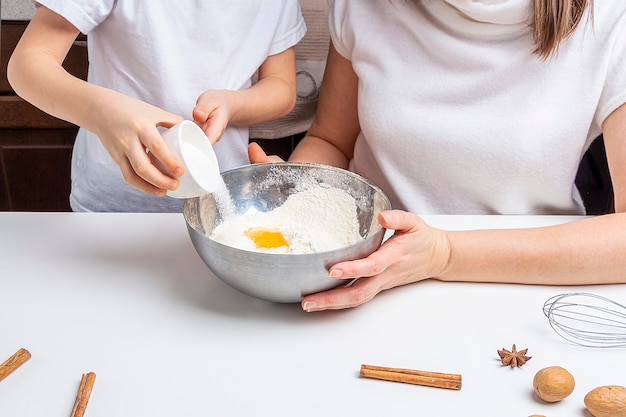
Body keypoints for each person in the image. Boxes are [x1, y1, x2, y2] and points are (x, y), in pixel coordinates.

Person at [248, 0, 626, 312]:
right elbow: (332, 140)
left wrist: (444, 253)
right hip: (365, 286)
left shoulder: (611, 19)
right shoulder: (367, 6)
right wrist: (299, 187)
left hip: (527, 290)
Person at [8, 1, 306, 212]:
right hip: (111, 210)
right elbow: (27, 64)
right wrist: (103, 112)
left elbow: (281, 88)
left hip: (220, 205)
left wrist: (233, 104)